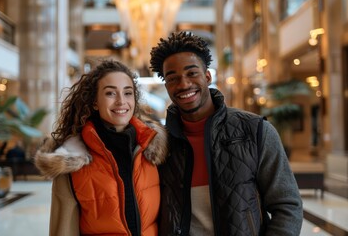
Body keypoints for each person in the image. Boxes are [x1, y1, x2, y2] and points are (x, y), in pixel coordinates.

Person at [149, 31, 303, 235]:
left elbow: (287, 206)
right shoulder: (160, 145)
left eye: (192, 73)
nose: (184, 84)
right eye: (173, 78)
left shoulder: (254, 130)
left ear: (207, 76)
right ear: (166, 85)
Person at [34, 59, 168, 236]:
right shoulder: (72, 160)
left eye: (127, 93)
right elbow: (63, 230)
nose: (121, 101)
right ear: (95, 102)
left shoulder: (153, 148)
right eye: (110, 93)